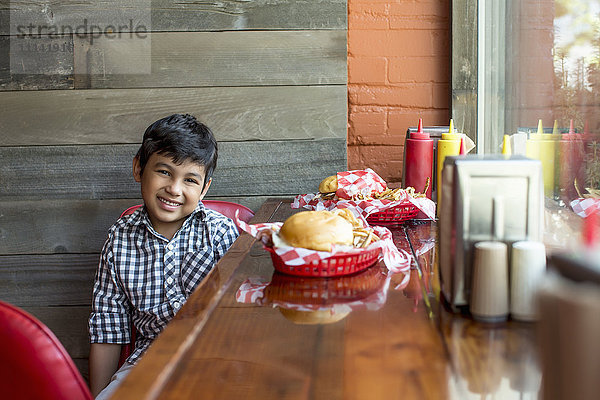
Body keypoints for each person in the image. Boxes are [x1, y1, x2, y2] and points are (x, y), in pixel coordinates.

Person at [88, 114, 239, 399]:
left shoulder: (219, 233)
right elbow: (108, 327)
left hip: (216, 359)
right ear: (138, 168)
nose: (175, 189)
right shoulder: (119, 239)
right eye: (165, 172)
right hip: (149, 360)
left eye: (190, 179)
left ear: (205, 188)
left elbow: (241, 320)